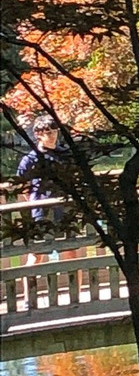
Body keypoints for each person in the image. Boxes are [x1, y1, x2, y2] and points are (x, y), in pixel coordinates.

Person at [16, 114, 78, 267]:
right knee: (36, 254)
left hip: (64, 209)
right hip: (41, 211)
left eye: (54, 131)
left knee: (71, 253)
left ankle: (75, 289)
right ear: (38, 134)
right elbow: (22, 185)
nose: (52, 136)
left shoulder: (65, 155)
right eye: (48, 132)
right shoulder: (30, 159)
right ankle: (28, 291)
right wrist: (35, 201)